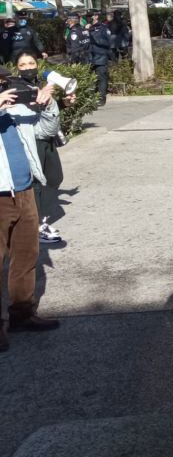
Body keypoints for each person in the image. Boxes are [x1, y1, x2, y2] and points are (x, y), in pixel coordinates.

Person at [0, 67, 61, 353]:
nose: (7, 88)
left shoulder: (17, 111)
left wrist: (48, 106)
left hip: (24, 193)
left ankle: (22, 313)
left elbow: (47, 131)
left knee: (26, 256)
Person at [16, 53, 70, 244]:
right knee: (37, 183)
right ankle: (38, 225)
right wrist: (39, 97)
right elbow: (25, 111)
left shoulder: (40, 82)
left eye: (31, 63)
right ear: (17, 68)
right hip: (32, 140)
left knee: (55, 178)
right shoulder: (17, 87)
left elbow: (45, 111)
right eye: (22, 64)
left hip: (47, 139)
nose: (27, 67)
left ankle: (39, 218)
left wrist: (63, 103)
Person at [87, 12, 113, 106]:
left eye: (91, 16)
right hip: (90, 57)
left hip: (100, 57)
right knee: (91, 79)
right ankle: (91, 98)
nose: (89, 18)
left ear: (96, 16)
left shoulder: (103, 28)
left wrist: (93, 37)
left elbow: (107, 42)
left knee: (101, 78)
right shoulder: (88, 28)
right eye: (88, 16)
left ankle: (102, 99)